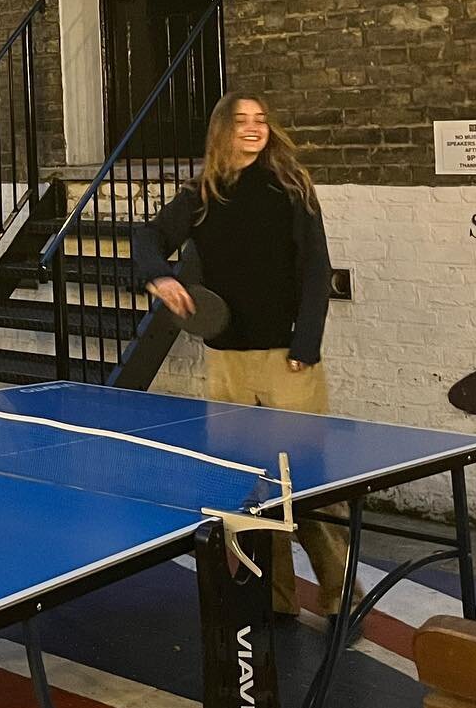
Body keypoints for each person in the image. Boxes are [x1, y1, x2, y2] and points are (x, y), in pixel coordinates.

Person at [131, 92, 350, 619]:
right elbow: (148, 236)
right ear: (222, 130)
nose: (253, 129)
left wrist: (306, 344)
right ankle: (275, 597)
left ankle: (342, 594)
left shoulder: (292, 188)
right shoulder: (203, 194)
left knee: (306, 484)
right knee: (250, 486)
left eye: (261, 121)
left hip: (286, 360)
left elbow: (317, 271)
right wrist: (158, 274)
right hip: (228, 362)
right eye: (241, 121)